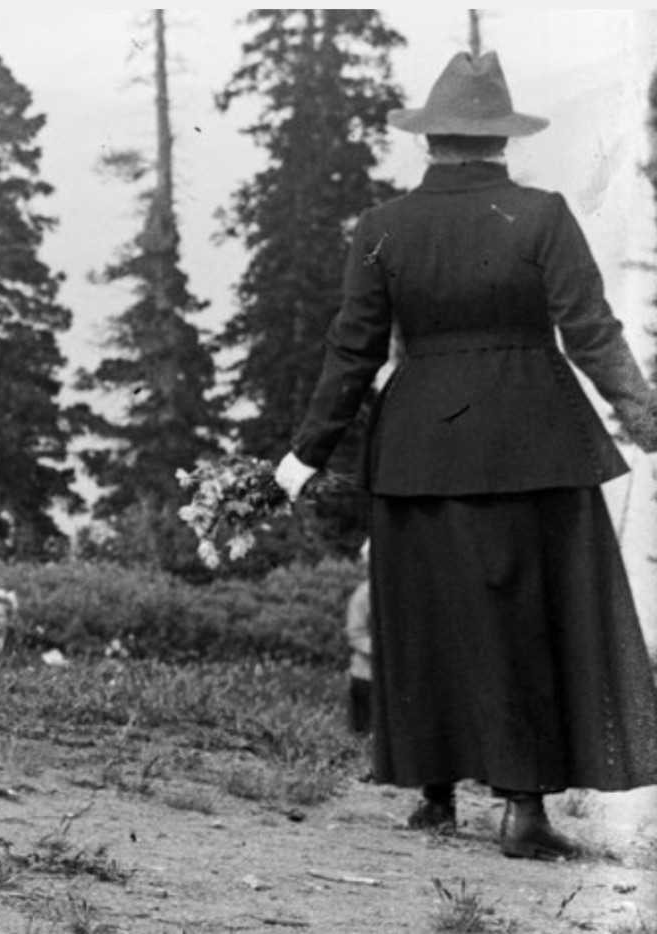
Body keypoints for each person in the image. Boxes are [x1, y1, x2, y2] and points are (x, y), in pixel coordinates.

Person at [275, 51, 657, 860]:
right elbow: (591, 331)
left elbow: (353, 353)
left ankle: (437, 795)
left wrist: (303, 456)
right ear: (500, 140)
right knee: (526, 619)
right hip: (534, 441)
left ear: (432, 141)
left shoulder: (384, 227)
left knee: (425, 620)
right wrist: (642, 414)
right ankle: (523, 809)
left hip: (420, 449)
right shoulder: (544, 214)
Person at [344, 540, 372, 735]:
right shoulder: (363, 595)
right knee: (363, 733)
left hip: (397, 679)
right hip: (366, 676)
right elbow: (355, 634)